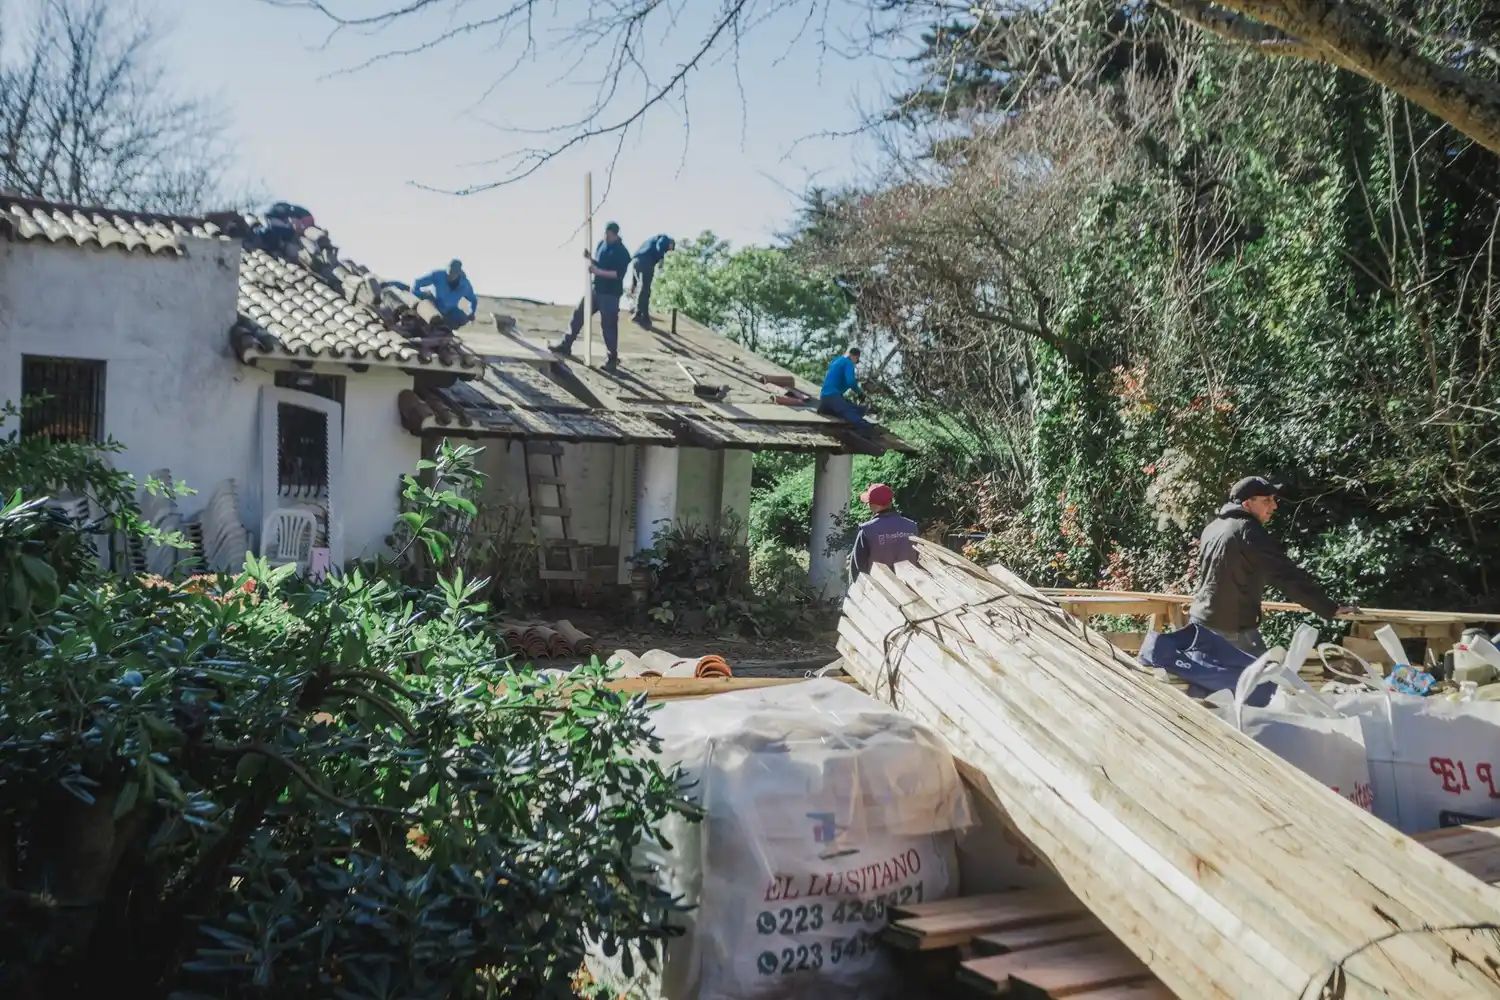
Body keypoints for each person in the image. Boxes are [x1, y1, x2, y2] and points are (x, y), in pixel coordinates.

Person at [1188, 476, 1358, 656]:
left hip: (1200, 622)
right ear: (1247, 504)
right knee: (1264, 682)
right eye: (1266, 500)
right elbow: (1284, 575)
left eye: (1273, 500)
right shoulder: (1248, 530)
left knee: (1207, 682)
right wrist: (1329, 608)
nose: (1274, 506)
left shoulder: (1213, 527)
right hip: (1232, 631)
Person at [551, 221, 632, 374]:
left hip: (610, 295)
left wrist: (596, 271)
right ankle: (566, 345)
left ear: (615, 235)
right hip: (596, 289)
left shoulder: (622, 253)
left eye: (609, 234)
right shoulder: (602, 244)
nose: (606, 237)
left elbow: (617, 274)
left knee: (608, 327)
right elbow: (601, 264)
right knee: (579, 314)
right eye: (605, 233)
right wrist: (591, 259)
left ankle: (612, 359)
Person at [849, 483, 918, 583]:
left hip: (878, 592)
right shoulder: (912, 527)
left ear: (872, 505)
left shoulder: (867, 531)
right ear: (890, 502)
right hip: (910, 588)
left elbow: (857, 569)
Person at [412, 259, 477, 328]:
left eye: (454, 272)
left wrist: (472, 312)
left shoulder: (465, 285)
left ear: (459, 272)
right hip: (433, 305)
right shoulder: (439, 275)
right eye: (450, 272)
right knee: (427, 314)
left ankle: (445, 329)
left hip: (449, 311)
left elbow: (473, 300)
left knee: (462, 318)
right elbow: (418, 283)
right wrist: (420, 294)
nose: (450, 275)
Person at [818, 346, 871, 428]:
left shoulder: (837, 360)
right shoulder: (848, 363)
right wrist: (860, 393)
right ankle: (865, 429)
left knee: (847, 406)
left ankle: (825, 409)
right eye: (856, 361)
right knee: (853, 414)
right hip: (833, 396)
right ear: (855, 357)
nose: (855, 364)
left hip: (824, 397)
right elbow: (851, 382)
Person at [630, 234, 674, 327]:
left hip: (636, 261)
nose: (669, 250)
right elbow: (661, 244)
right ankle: (639, 313)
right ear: (671, 243)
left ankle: (641, 312)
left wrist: (633, 284)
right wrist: (661, 258)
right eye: (670, 248)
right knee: (645, 289)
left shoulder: (649, 243)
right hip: (646, 262)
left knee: (642, 288)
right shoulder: (664, 239)